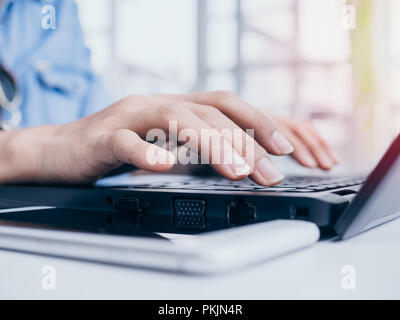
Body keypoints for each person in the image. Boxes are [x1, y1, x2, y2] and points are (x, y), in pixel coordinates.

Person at [0, 0, 337, 186]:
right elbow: (68, 140)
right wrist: (37, 149)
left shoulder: (55, 9)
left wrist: (206, 148)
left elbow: (103, 143)